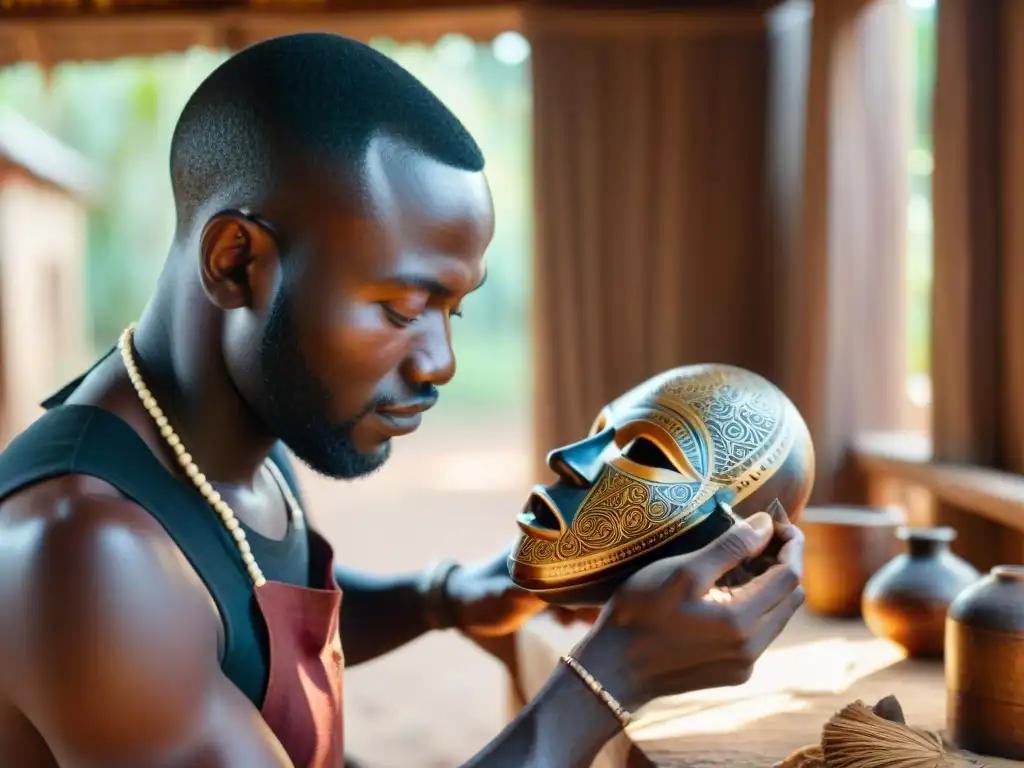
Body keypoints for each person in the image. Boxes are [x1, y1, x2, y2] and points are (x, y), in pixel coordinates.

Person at [0, 33, 804, 768]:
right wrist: (611, 675)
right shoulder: (87, 558)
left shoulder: (229, 431)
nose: (442, 363)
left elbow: (240, 632)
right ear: (237, 262)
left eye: (453, 309)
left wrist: (446, 598)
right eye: (402, 307)